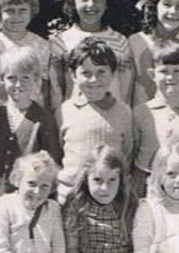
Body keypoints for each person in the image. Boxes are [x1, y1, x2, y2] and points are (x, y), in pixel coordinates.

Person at [56, 38, 135, 203]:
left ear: (113, 74)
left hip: (109, 197)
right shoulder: (64, 111)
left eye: (101, 72)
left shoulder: (124, 112)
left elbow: (126, 153)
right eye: (86, 73)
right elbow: (57, 153)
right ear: (73, 75)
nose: (94, 80)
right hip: (70, 197)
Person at [0, 46, 62, 202]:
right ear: (1, 79)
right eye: (12, 78)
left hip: (30, 201)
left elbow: (52, 165)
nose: (18, 84)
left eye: (25, 77)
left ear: (36, 79)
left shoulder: (44, 120)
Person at [131, 39, 179, 197]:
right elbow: (130, 153)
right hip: (144, 186)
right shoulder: (140, 112)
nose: (170, 77)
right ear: (152, 74)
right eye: (164, 71)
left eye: (177, 71)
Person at [50, 0, 133, 104]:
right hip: (75, 119)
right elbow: (56, 91)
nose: (91, 4)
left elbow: (126, 91)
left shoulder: (120, 41)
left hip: (113, 119)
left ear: (106, 3)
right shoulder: (61, 43)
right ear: (73, 1)